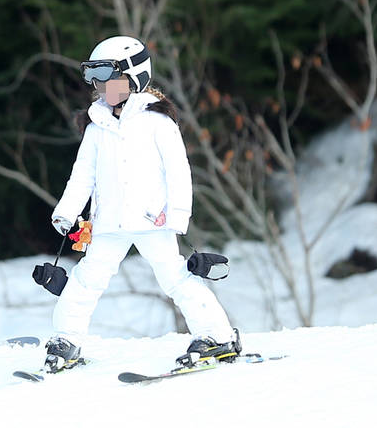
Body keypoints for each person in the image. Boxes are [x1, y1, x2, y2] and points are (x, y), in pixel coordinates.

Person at [44, 35, 241, 372]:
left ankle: (218, 336)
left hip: (153, 219)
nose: (100, 85)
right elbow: (83, 175)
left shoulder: (157, 121)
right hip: (108, 222)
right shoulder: (97, 126)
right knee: (86, 279)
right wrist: (66, 210)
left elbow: (179, 172)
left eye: (108, 76)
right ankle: (66, 340)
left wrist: (178, 216)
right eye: (94, 78)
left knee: (175, 278)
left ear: (135, 77)